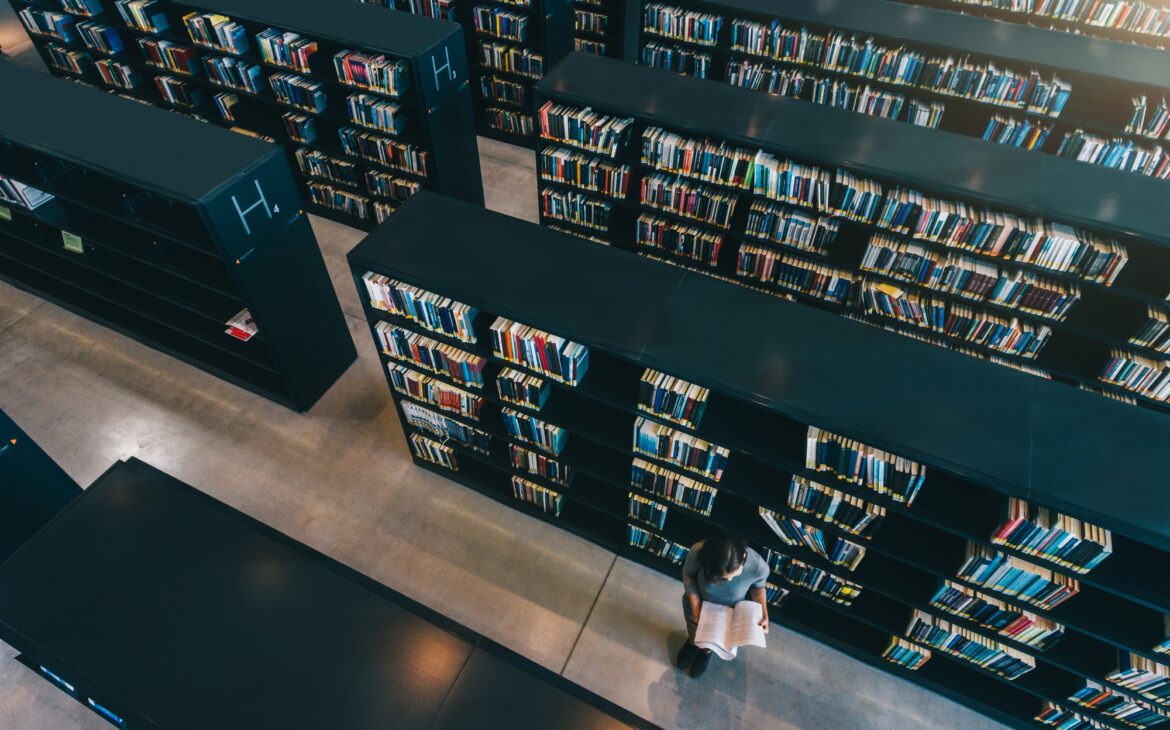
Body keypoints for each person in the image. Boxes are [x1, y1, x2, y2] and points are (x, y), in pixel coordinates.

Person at [675, 532, 770, 678]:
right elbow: (688, 575)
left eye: (735, 575)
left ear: (744, 557)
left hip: (728, 614)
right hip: (698, 604)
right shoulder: (698, 551)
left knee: (714, 641)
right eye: (723, 578)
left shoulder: (758, 566)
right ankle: (692, 643)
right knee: (693, 630)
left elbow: (758, 587)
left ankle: (706, 653)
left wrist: (763, 611)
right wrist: (695, 607)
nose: (730, 580)